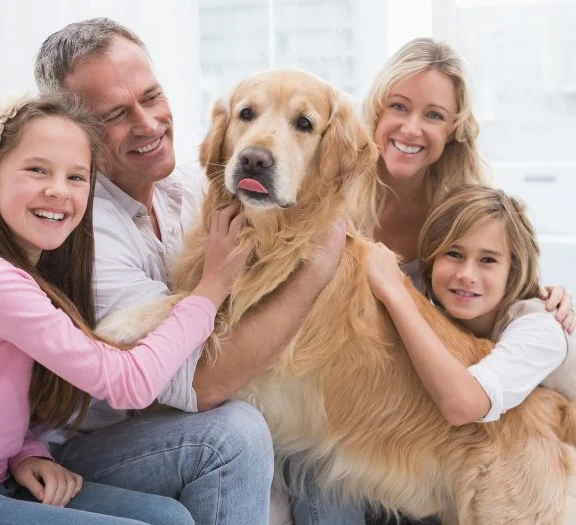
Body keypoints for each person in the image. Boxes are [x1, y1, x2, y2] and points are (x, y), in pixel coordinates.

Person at [0, 93, 253, 525]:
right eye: (37, 170)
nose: (58, 190)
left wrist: (26, 451)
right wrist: (211, 289)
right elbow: (129, 383)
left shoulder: (29, 269)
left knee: (169, 517)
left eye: (76, 177)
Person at [33, 18, 344, 524]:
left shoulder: (188, 189)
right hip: (87, 447)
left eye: (151, 97)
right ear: (75, 132)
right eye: (116, 113)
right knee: (236, 431)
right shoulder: (82, 231)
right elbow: (199, 385)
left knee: (322, 430)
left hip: (166, 420)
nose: (149, 124)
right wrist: (318, 267)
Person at [288, 37, 576, 525]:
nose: (411, 128)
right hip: (341, 389)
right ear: (375, 111)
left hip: (422, 400)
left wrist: (539, 301)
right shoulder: (330, 183)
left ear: (455, 130)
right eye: (398, 107)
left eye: (434, 115)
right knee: (316, 470)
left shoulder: (465, 206)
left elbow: (498, 294)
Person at [365, 184, 576, 524]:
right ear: (431, 262)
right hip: (518, 437)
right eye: (453, 254)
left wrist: (393, 291)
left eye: (488, 260)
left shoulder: (542, 329)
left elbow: (463, 405)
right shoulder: (452, 308)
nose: (467, 274)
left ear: (513, 271)